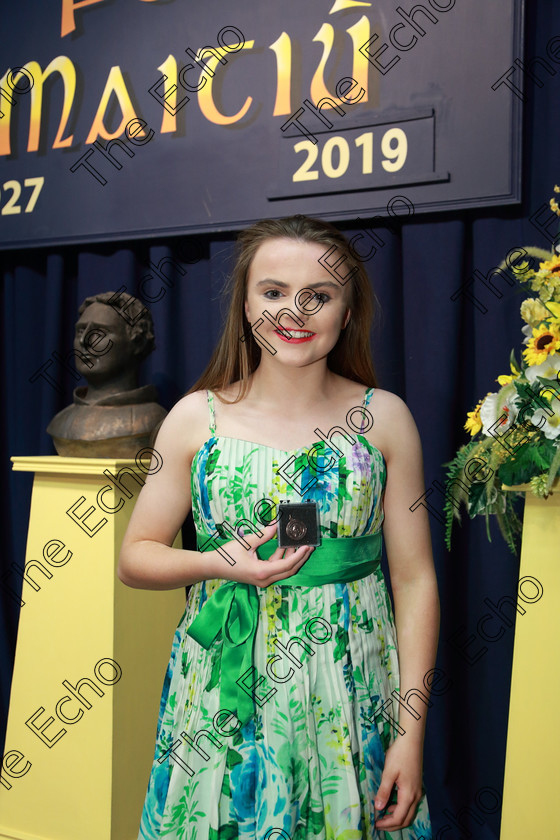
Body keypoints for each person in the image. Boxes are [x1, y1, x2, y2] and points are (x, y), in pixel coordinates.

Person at [118, 215, 439, 840]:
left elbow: (417, 581)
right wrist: (216, 563)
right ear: (244, 305)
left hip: (351, 696)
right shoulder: (193, 418)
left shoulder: (385, 420)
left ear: (348, 313)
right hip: (219, 694)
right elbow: (136, 557)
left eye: (318, 295)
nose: (295, 311)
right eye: (272, 292)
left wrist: (410, 737)